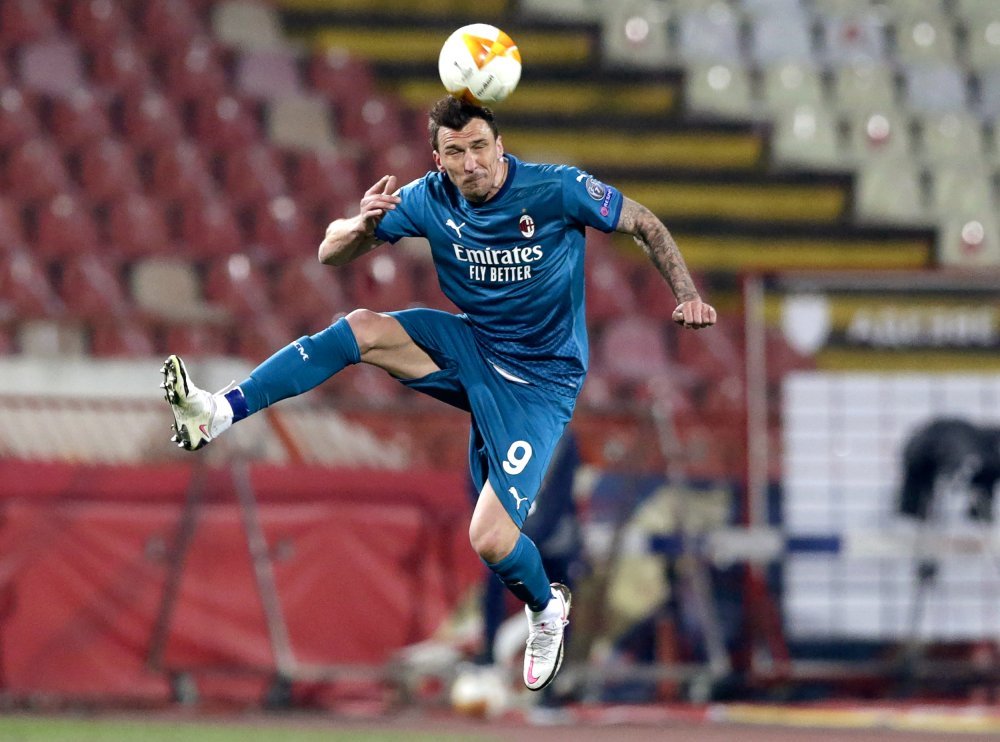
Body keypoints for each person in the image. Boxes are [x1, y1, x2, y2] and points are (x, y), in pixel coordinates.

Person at [161, 96, 717, 692]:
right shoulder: (430, 198)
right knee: (362, 328)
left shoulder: (556, 189)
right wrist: (362, 225)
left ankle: (546, 608)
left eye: (479, 147)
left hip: (540, 382)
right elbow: (328, 252)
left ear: (499, 146)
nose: (471, 162)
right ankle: (216, 412)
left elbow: (643, 222)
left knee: (490, 539)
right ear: (438, 158)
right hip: (474, 346)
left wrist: (686, 294)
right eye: (456, 152)